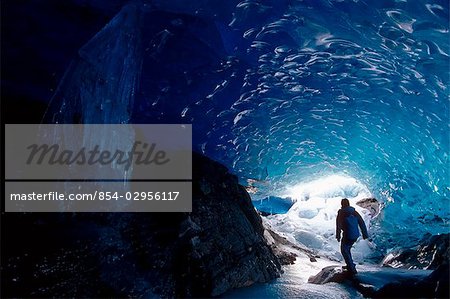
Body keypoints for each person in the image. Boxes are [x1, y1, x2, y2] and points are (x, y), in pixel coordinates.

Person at [336, 198, 368, 274]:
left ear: (342, 204)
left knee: (344, 250)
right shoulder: (354, 212)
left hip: (348, 234)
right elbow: (361, 222)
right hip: (355, 234)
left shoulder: (341, 213)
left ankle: (351, 268)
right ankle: (350, 264)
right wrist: (365, 234)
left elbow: (338, 225)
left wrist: (338, 235)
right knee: (347, 249)